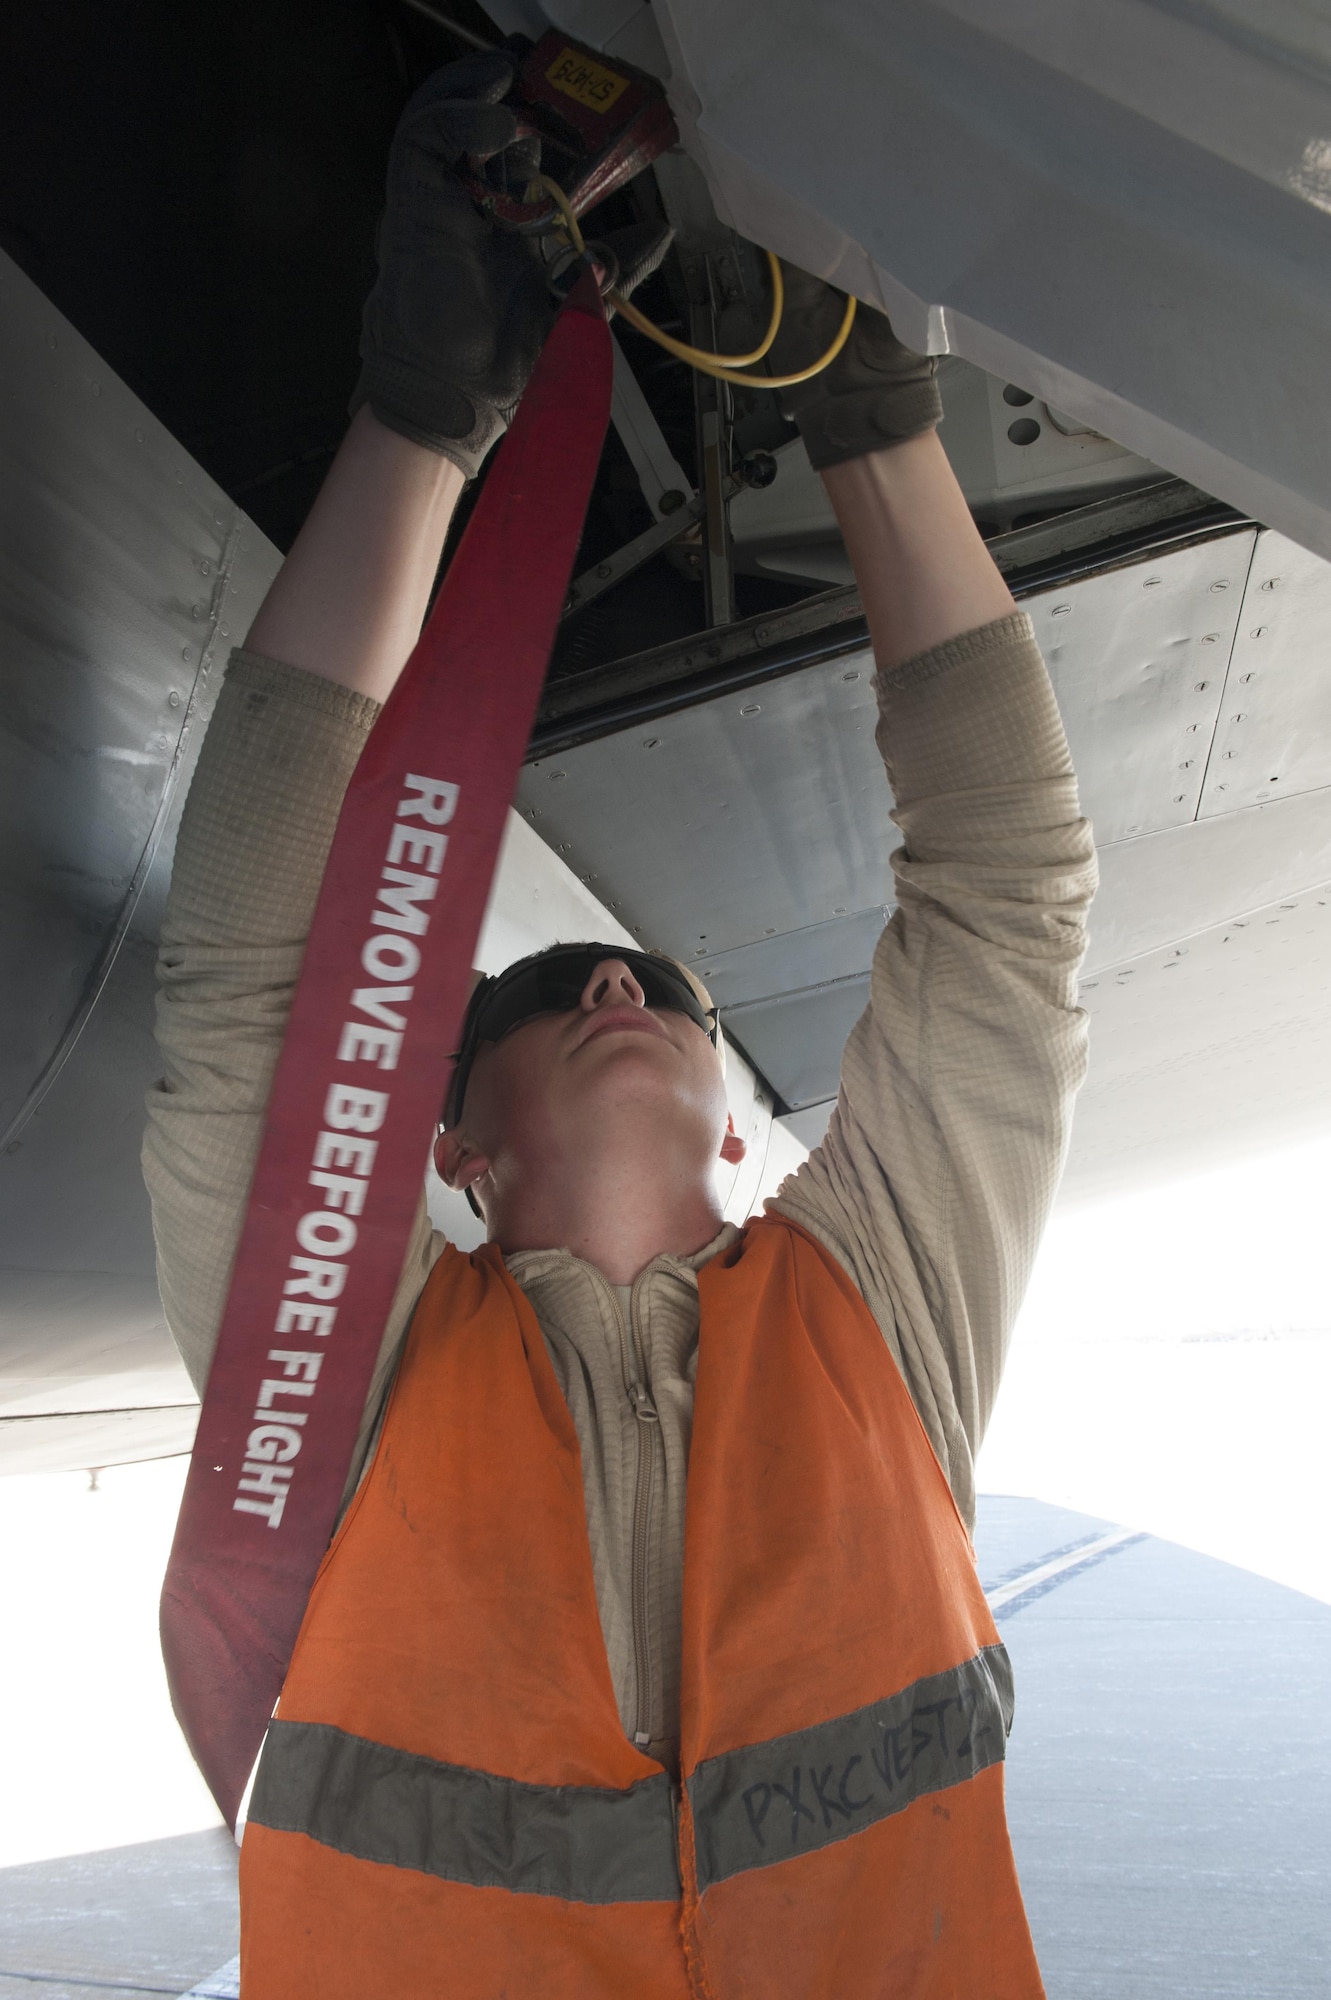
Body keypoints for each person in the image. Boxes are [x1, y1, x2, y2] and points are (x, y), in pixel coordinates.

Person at [143, 52, 1097, 2000]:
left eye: (652, 994)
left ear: (740, 1133)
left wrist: (414, 436)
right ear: (454, 1162)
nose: (618, 984)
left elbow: (234, 954)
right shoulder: (365, 1357)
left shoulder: (867, 1306)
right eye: (568, 995)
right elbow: (1003, 887)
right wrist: (864, 421)